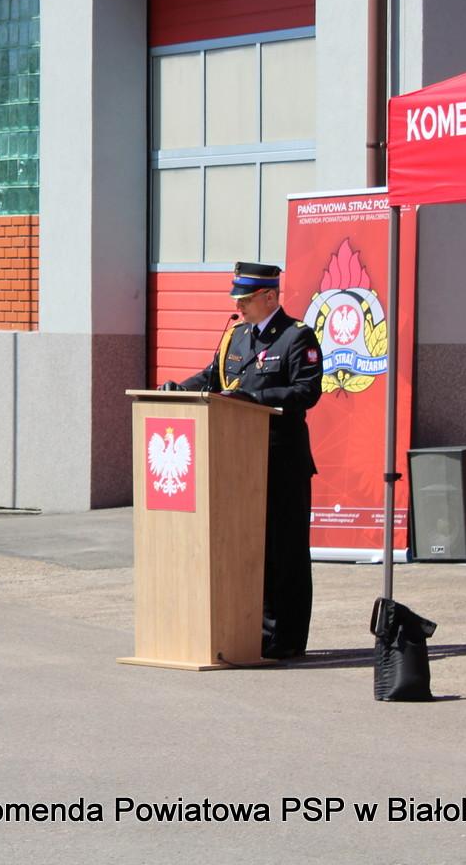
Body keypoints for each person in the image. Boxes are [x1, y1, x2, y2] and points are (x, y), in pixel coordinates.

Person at [161, 262, 322, 659]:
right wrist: (178, 389)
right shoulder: (236, 335)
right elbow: (212, 379)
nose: (239, 306)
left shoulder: (296, 336)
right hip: (238, 462)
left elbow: (307, 392)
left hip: (281, 462)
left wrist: (256, 400)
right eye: (238, 299)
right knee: (250, 548)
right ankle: (255, 632)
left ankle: (286, 639)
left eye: (246, 299)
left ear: (270, 296)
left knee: (284, 551)